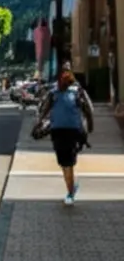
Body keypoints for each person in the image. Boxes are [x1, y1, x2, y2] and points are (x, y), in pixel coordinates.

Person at [38, 66, 94, 205]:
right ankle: (71, 188)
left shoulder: (57, 93)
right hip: (69, 131)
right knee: (66, 163)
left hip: (63, 131)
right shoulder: (73, 92)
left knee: (66, 163)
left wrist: (40, 123)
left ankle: (70, 192)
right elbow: (89, 110)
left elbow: (43, 110)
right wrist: (89, 126)